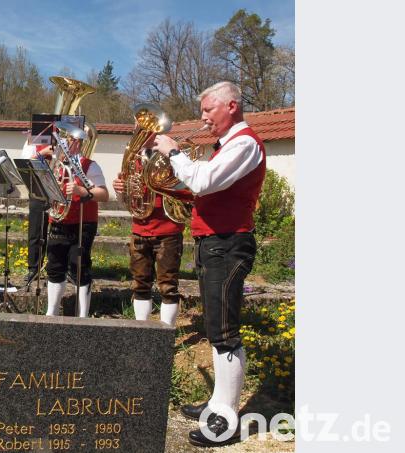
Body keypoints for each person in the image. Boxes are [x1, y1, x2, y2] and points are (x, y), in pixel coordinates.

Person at [152, 81, 265, 447]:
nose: (202, 118)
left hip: (229, 244)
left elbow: (204, 181)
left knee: (224, 332)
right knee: (218, 330)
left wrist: (172, 153)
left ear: (231, 106)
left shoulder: (245, 143)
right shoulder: (226, 146)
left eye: (208, 110)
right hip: (213, 243)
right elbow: (203, 186)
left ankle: (226, 420)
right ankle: (218, 402)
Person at [44, 136, 108, 317]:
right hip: (58, 220)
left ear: (78, 143)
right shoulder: (55, 165)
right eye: (60, 141)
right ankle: (52, 311)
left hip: (83, 223)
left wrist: (82, 191)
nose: (61, 145)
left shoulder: (89, 165)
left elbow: (103, 194)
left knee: (80, 267)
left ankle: (83, 315)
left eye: (68, 141)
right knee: (54, 267)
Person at [112, 169, 184, 326]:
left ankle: (166, 333)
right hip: (139, 229)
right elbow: (125, 202)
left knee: (168, 286)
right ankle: (141, 331)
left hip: (168, 230)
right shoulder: (135, 163)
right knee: (140, 284)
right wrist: (120, 190)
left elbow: (186, 188)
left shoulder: (173, 157)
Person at [20, 141, 53, 287]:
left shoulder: (66, 140)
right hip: (38, 189)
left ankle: (57, 268)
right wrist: (42, 153)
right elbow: (25, 164)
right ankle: (34, 268)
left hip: (62, 187)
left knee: (59, 233)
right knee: (35, 231)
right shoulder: (32, 142)